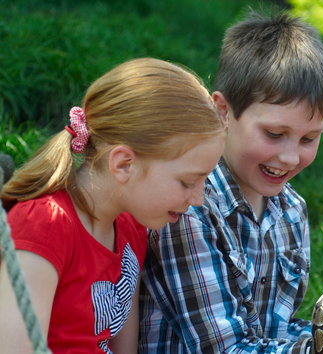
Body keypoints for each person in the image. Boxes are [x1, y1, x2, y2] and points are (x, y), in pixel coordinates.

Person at [138, 9, 323, 354]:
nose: (289, 157)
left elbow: (276, 329)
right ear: (223, 112)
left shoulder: (291, 210)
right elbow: (223, 349)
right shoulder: (188, 207)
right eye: (274, 134)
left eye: (308, 139)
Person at [0, 58, 225, 354]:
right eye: (187, 182)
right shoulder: (44, 226)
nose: (198, 199)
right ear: (123, 164)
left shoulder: (130, 229)